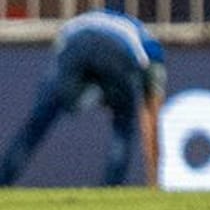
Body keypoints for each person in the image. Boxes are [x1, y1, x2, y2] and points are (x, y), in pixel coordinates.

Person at [0, 10, 166, 187]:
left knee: (38, 121)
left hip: (75, 43)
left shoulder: (92, 17)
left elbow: (60, 50)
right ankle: (111, 190)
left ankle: (3, 181)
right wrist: (154, 179)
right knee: (124, 125)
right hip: (116, 51)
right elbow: (152, 116)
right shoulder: (150, 44)